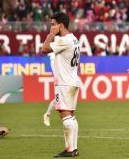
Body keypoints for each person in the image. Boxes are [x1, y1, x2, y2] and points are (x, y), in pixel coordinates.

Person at [42, 12, 82, 158]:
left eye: (53, 24)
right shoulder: (74, 39)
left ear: (61, 25)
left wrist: (50, 34)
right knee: (70, 115)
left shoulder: (64, 40)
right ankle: (73, 148)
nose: (51, 27)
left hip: (64, 83)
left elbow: (44, 48)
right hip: (72, 80)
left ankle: (70, 149)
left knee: (65, 115)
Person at [43, 52, 56, 127]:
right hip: (60, 80)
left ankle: (47, 115)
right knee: (58, 99)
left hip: (67, 79)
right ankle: (47, 115)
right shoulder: (53, 57)